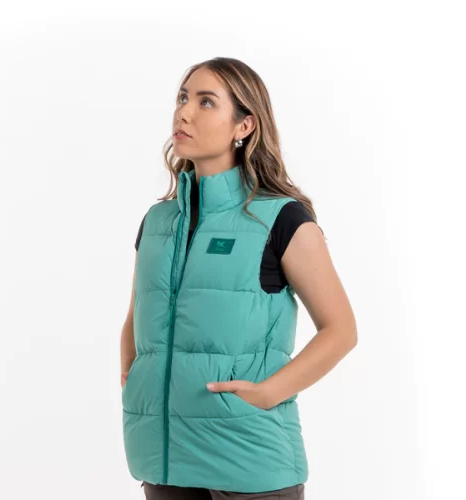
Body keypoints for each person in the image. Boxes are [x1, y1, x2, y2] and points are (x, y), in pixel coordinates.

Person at [120, 57, 358, 500]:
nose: (184, 112)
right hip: (163, 460)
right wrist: (135, 380)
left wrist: (268, 394)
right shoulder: (157, 222)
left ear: (244, 126)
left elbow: (340, 330)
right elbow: (136, 318)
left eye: (206, 102)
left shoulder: (280, 218)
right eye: (183, 98)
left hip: (250, 460)